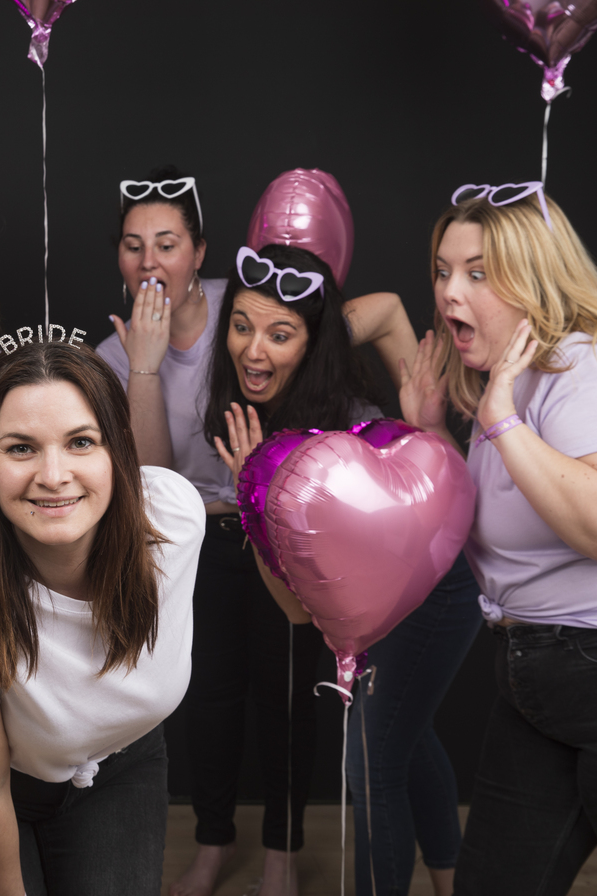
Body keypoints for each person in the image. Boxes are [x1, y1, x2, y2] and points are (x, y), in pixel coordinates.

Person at [96, 167, 419, 896]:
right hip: (201, 543)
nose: (150, 262)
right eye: (134, 245)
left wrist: (409, 406)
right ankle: (213, 845)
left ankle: (282, 854)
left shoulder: (245, 299)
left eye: (167, 243)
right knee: (206, 701)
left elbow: (341, 329)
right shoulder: (118, 352)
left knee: (287, 703)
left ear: (199, 251)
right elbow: (153, 480)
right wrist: (144, 369)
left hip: (288, 543)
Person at [399, 184, 597, 893]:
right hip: (539, 675)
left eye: (478, 273)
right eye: (443, 271)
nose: (449, 292)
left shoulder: (594, 366)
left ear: (536, 279)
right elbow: (497, 524)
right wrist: (432, 431)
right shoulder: (515, 381)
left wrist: (501, 422)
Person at [206, 242, 482, 896]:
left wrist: (256, 493)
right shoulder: (255, 420)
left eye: (280, 335)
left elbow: (303, 610)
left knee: (371, 760)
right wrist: (252, 494)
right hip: (375, 596)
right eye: (241, 327)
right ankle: (455, 884)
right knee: (408, 739)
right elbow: (296, 609)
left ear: (313, 343)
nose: (253, 351)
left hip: (438, 586)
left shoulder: (346, 426)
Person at [0, 339, 206, 895]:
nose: (54, 475)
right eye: (21, 448)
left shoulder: (173, 522)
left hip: (119, 765)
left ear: (118, 450)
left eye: (81, 442)